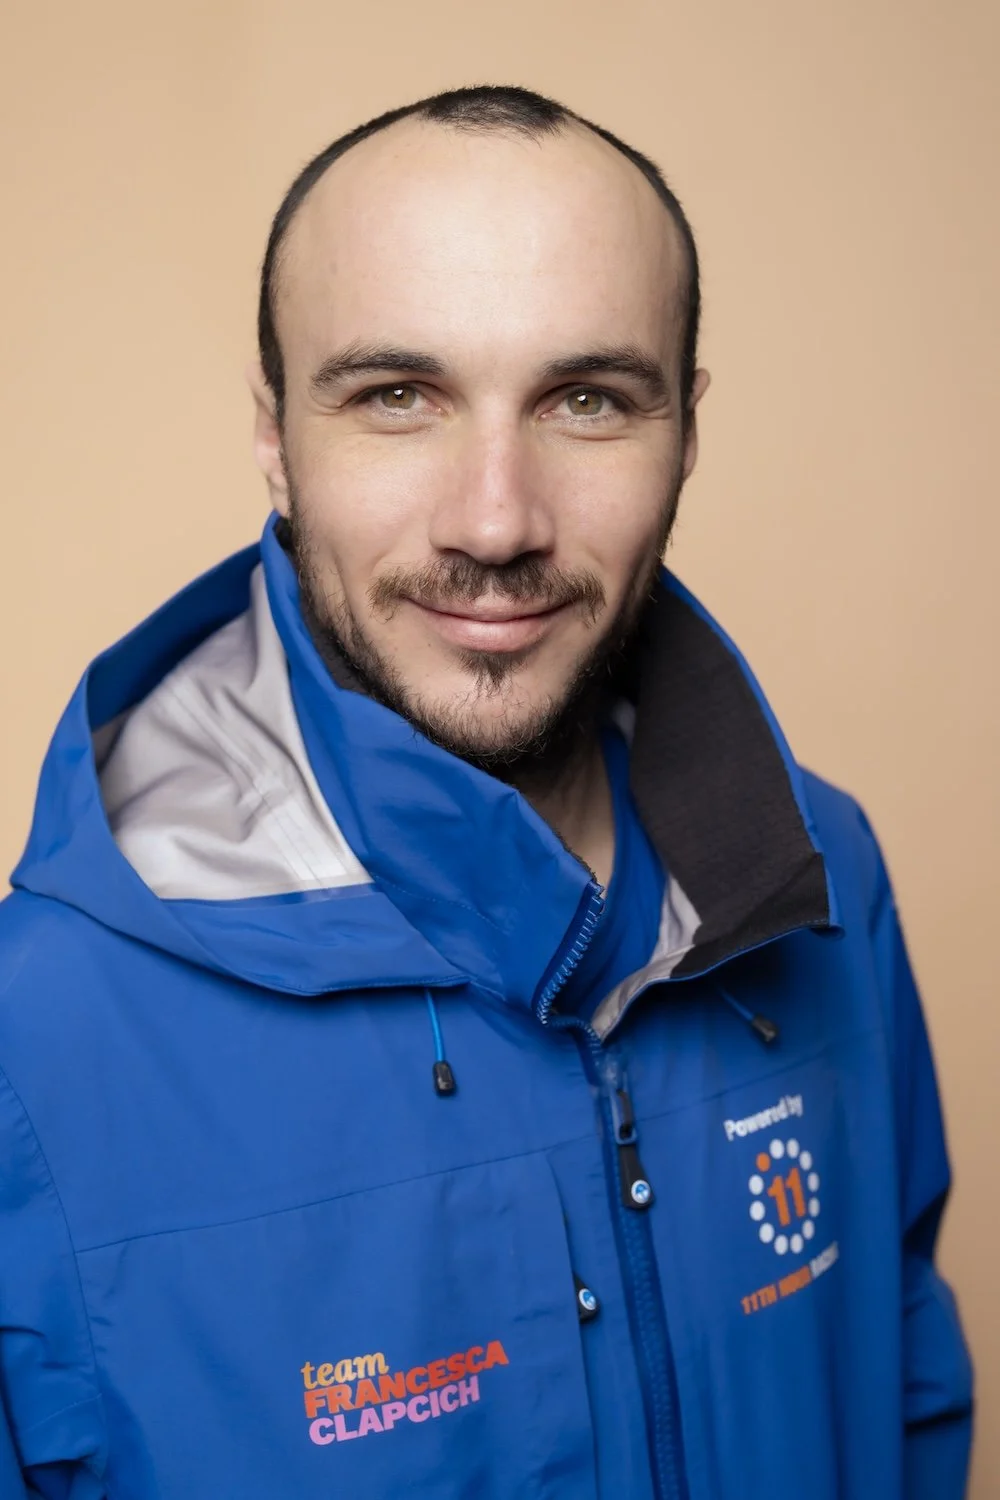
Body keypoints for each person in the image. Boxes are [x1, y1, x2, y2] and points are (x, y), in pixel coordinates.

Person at [0, 84, 972, 1500]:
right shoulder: (36, 1036)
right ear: (275, 431)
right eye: (399, 397)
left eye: (588, 399)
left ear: (685, 428)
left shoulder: (823, 876)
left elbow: (904, 1410)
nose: (497, 522)